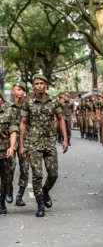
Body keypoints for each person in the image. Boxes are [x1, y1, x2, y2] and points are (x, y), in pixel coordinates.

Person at [19, 74, 68, 217]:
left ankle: (45, 191)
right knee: (37, 175)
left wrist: (65, 139)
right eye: (37, 84)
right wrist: (21, 145)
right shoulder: (27, 101)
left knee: (53, 174)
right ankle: (40, 204)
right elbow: (22, 123)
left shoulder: (54, 101)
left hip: (49, 141)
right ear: (33, 86)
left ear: (46, 85)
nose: (39, 86)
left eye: (42, 83)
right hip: (33, 143)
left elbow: (61, 119)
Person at [7, 83, 28, 206]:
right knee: (9, 168)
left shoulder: (28, 107)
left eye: (23, 90)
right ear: (13, 91)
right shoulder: (8, 108)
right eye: (19, 89)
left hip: (25, 142)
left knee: (24, 169)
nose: (21, 92)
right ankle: (9, 191)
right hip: (10, 143)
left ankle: (19, 196)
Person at [0, 94, 19, 214]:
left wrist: (12, 147)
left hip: (4, 151)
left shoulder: (9, 111)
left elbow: (13, 131)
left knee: (7, 178)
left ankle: (2, 200)